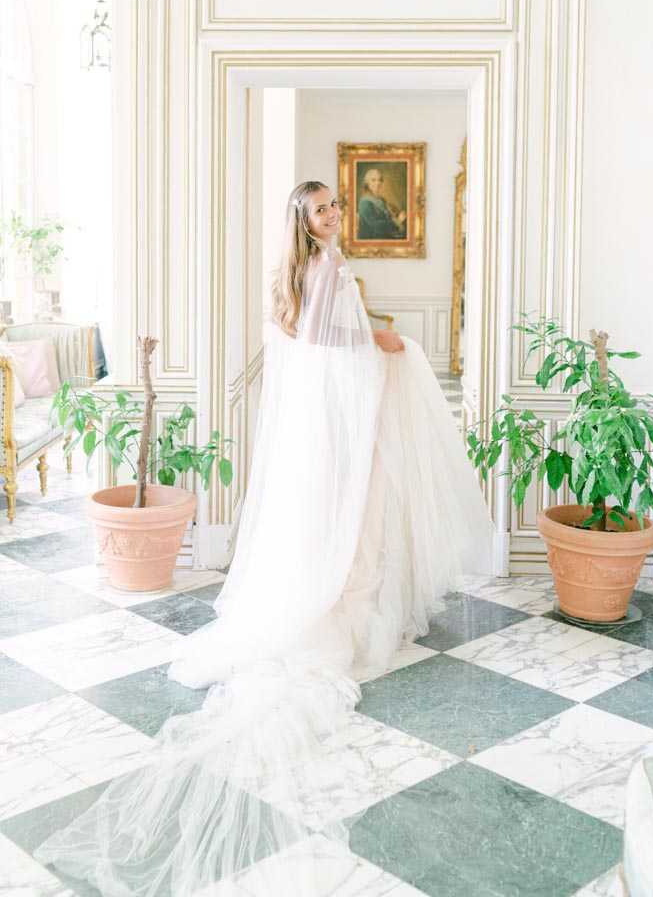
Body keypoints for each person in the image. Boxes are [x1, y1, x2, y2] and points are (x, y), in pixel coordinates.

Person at [35, 180, 495, 896]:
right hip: (336, 421)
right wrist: (379, 336)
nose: (334, 215)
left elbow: (303, 342)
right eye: (322, 210)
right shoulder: (330, 269)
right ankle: (340, 609)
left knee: (326, 522)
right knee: (355, 519)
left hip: (312, 430)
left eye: (336, 206)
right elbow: (323, 340)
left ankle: (325, 597)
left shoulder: (295, 274)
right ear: (303, 222)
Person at [357, 167, 407, 239]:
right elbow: (376, 226)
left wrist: (397, 216)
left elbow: (388, 217)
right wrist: (397, 221)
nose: (378, 183)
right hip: (371, 240)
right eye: (373, 180)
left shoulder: (381, 200)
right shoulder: (364, 202)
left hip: (385, 236)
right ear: (367, 183)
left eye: (380, 180)